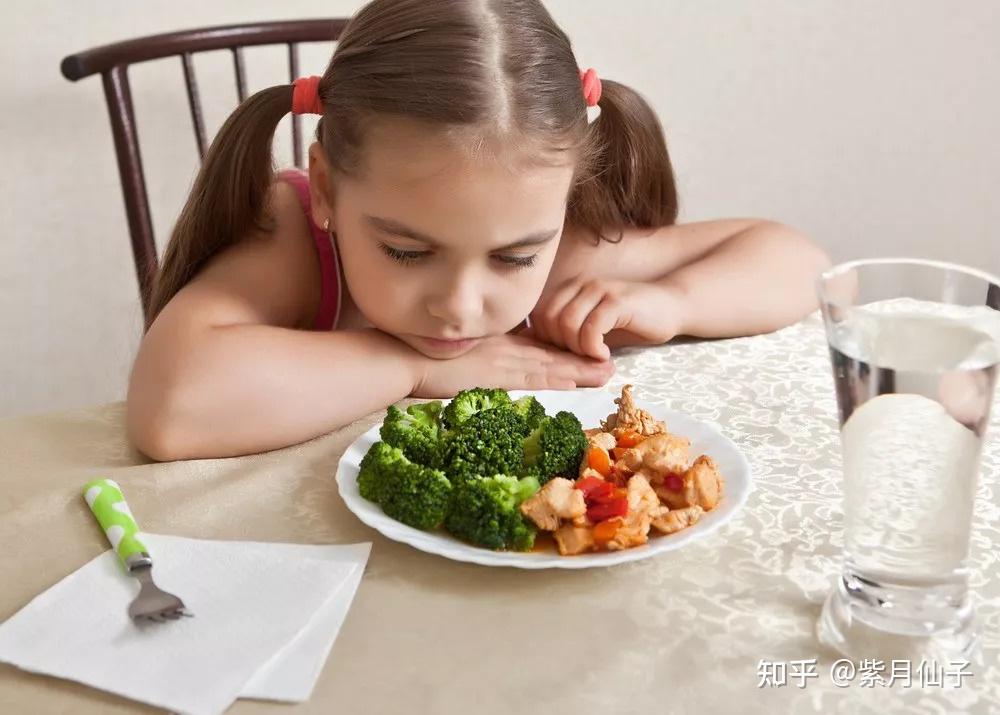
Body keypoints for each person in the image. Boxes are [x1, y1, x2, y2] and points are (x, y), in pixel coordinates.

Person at [127, 0, 830, 461]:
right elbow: (171, 408)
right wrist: (419, 368)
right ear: (330, 190)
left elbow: (800, 265)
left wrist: (672, 301)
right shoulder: (298, 239)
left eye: (514, 257)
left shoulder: (554, 240)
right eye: (406, 250)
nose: (462, 304)